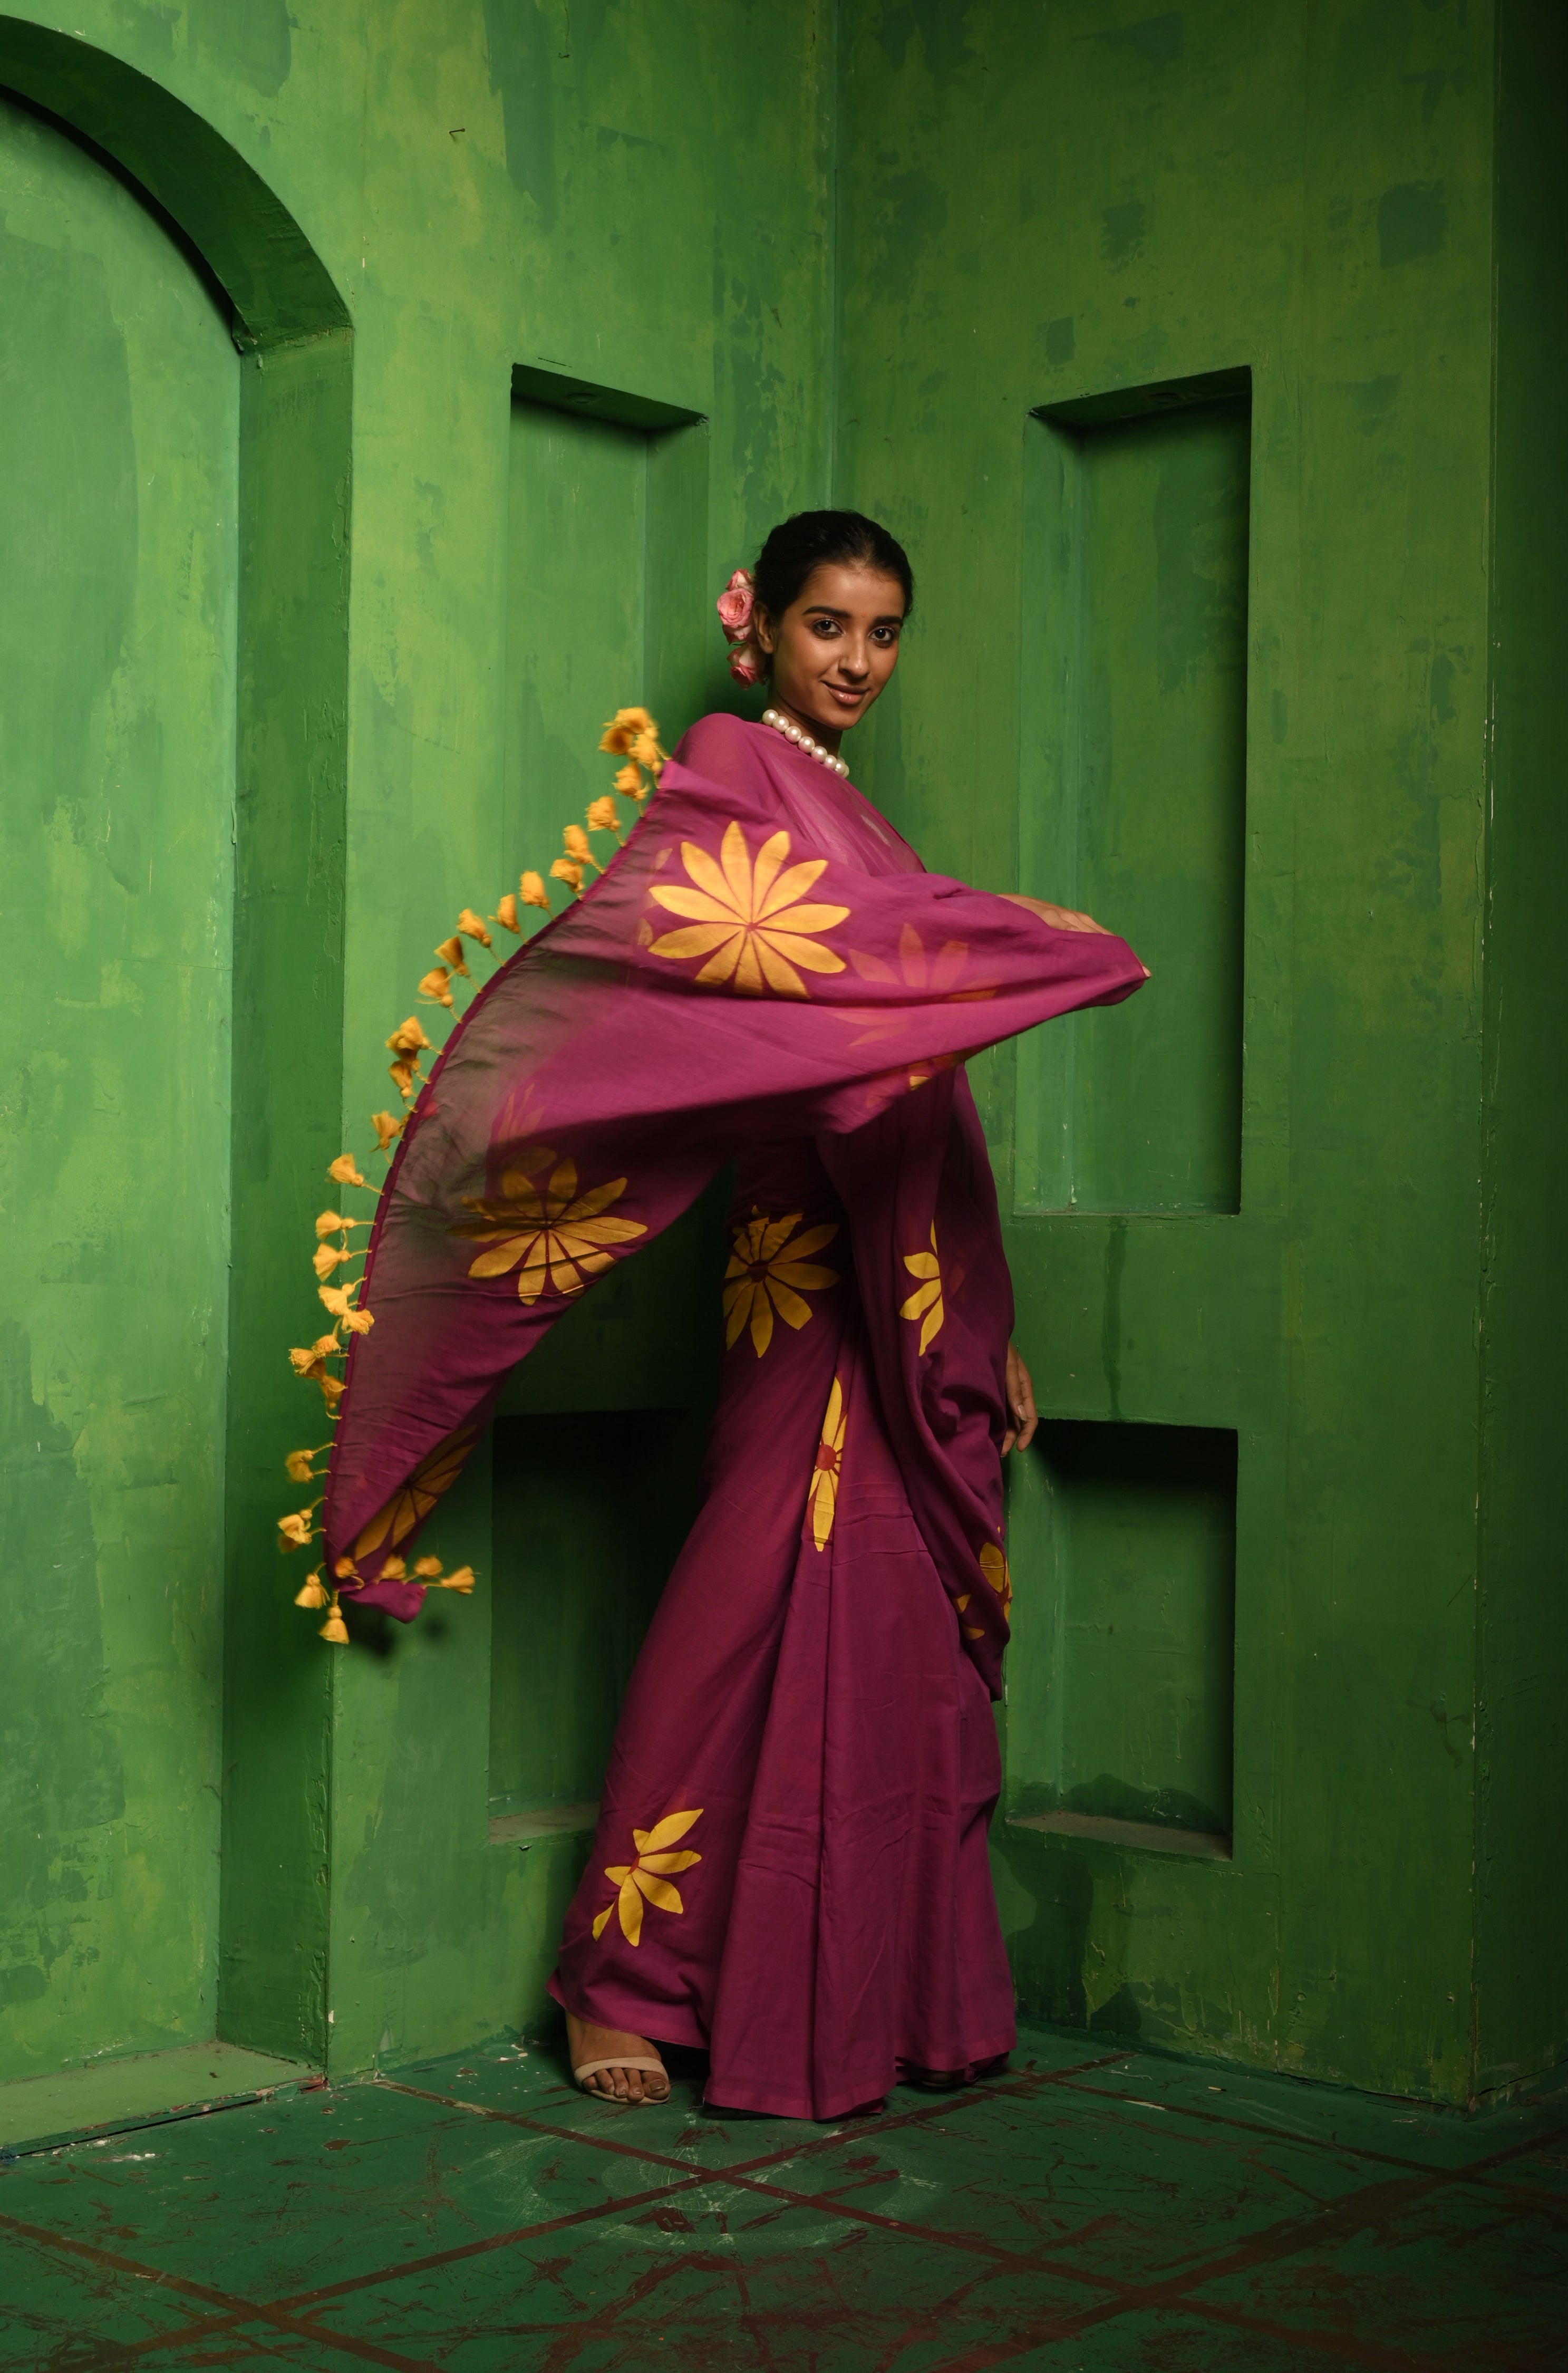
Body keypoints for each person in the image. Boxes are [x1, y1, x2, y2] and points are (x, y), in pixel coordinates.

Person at [321, 511, 1145, 2123]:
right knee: (735, 1606)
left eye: (885, 630)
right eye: (828, 624)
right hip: (801, 1263)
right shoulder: (725, 768)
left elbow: (913, 1071)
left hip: (908, 1279)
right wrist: (1028, 948)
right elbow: (741, 1002)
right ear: (748, 619)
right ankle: (618, 1982)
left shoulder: (849, 803)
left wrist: (982, 1309)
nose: (858, 661)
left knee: (898, 1641)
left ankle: (884, 1993)